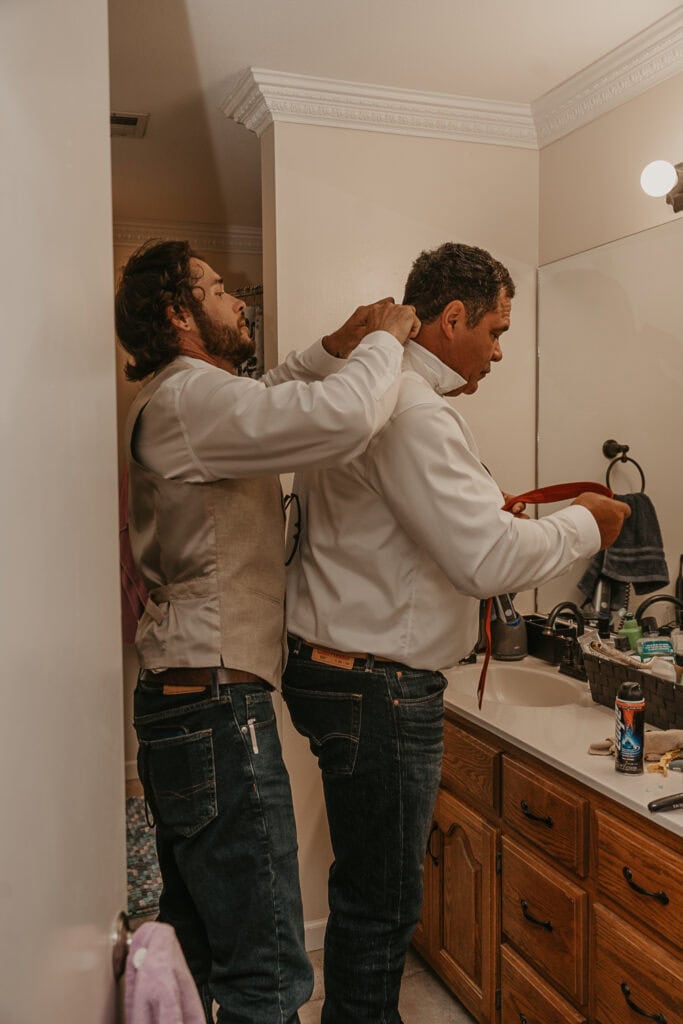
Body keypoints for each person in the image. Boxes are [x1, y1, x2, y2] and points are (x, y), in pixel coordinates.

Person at [282, 242, 630, 1024]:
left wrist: (481, 504)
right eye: (495, 331)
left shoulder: (366, 388)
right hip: (380, 687)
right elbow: (486, 559)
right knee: (383, 907)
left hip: (337, 671)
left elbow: (411, 534)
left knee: (366, 892)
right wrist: (589, 522)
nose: (499, 351)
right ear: (450, 319)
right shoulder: (412, 409)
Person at [114, 238, 420, 1024]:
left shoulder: (184, 397)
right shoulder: (189, 399)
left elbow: (275, 392)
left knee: (198, 944)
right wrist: (386, 338)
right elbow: (338, 419)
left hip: (186, 703)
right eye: (216, 290)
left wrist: (334, 346)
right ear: (179, 314)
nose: (237, 299)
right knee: (270, 972)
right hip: (216, 713)